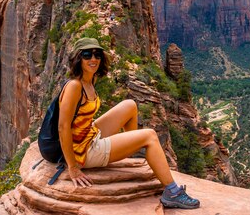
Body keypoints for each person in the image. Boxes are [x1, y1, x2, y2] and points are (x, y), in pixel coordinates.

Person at [58, 37, 200, 209]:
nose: (93, 59)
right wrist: (73, 167)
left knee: (130, 105)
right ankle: (173, 193)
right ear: (78, 58)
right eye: (87, 55)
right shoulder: (75, 86)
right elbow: (63, 126)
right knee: (150, 136)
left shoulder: (90, 80)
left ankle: (129, 149)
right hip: (83, 151)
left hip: (87, 135)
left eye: (97, 55)